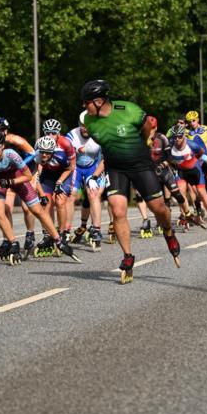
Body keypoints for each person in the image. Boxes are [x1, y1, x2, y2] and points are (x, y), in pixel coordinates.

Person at [80, 79, 180, 283]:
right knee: (117, 210)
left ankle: (169, 232)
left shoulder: (128, 110)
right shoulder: (89, 121)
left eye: (87, 102)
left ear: (99, 101)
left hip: (141, 165)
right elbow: (104, 143)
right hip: (116, 168)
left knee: (159, 208)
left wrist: (141, 144)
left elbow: (147, 126)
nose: (84, 106)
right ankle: (127, 256)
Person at [0, 130, 78, 263]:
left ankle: (58, 240)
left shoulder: (12, 155)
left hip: (18, 179)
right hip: (0, 180)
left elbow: (28, 176)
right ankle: (13, 243)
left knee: (38, 211)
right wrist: (0, 181)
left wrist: (10, 181)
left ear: (3, 146)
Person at [0, 117, 37, 257]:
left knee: (27, 207)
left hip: (28, 171)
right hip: (8, 175)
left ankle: (30, 233)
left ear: (5, 131)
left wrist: (19, 164)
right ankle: (7, 240)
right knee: (6, 208)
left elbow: (34, 155)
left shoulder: (16, 140)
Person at [169, 123, 207, 230]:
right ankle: (185, 215)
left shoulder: (191, 145)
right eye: (174, 137)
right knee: (180, 193)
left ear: (184, 135)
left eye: (179, 136)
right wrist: (173, 167)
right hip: (182, 172)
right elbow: (166, 158)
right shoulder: (170, 145)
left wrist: (199, 163)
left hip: (195, 171)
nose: (177, 139)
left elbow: (203, 154)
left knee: (202, 193)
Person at [66, 113, 105, 249]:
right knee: (71, 195)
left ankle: (96, 230)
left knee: (93, 194)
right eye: (83, 125)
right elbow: (65, 157)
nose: (85, 128)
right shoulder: (71, 136)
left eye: (88, 125)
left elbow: (105, 159)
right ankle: (66, 231)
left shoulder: (100, 136)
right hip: (75, 167)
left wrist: (95, 177)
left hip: (93, 168)